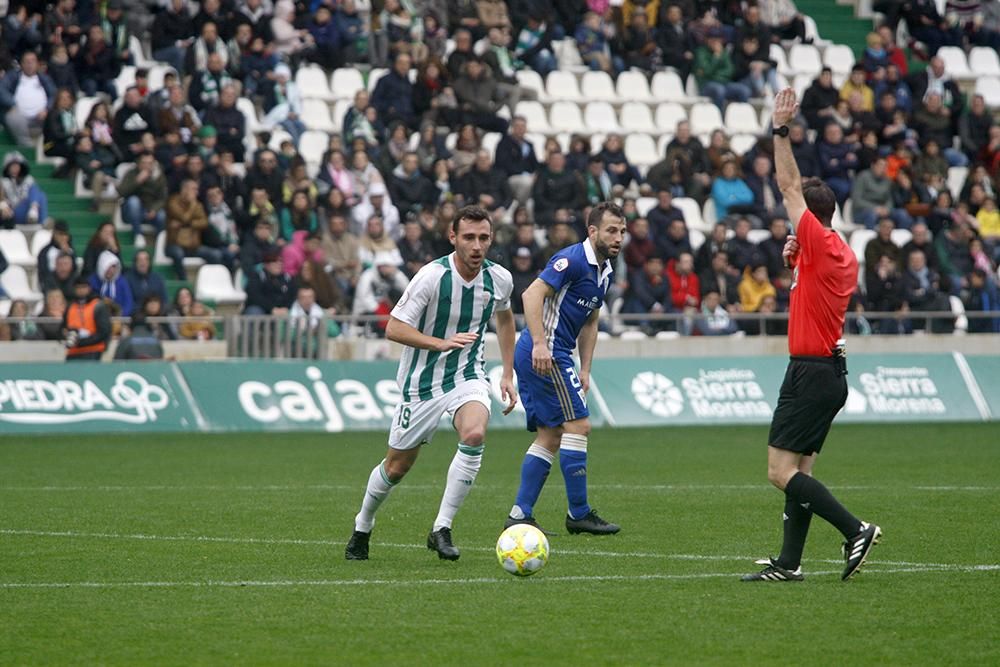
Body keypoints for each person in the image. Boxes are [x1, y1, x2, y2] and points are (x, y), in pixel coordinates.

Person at [742, 88, 881, 583]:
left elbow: (787, 184)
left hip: (811, 371)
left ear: (812, 219)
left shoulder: (818, 241)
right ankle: (789, 563)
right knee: (800, 475)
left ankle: (855, 529)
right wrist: (793, 257)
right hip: (828, 371)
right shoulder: (831, 250)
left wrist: (780, 129)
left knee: (780, 473)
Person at [345, 206, 517, 561]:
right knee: (396, 467)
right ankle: (363, 524)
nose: (476, 246)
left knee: (474, 434)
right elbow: (394, 327)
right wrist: (438, 343)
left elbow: (504, 319)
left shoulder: (499, 279)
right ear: (452, 237)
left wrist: (508, 373)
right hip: (421, 383)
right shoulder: (431, 276)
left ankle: (442, 527)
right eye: (468, 237)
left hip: (467, 375)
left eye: (483, 238)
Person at [504, 202, 626, 535]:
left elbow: (591, 322)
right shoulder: (571, 260)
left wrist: (585, 368)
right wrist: (542, 344)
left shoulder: (605, 270)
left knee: (551, 434)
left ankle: (519, 514)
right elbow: (530, 294)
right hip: (545, 351)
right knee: (580, 425)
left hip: (556, 353)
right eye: (612, 230)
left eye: (622, 231)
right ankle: (579, 514)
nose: (618, 238)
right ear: (593, 231)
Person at [62, 275, 112, 361]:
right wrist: (66, 335)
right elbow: (63, 328)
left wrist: (82, 342)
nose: (81, 290)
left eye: (83, 287)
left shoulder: (97, 306)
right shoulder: (70, 307)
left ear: (89, 288)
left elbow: (104, 331)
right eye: (78, 288)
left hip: (93, 351)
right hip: (73, 351)